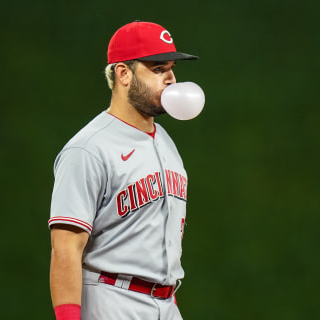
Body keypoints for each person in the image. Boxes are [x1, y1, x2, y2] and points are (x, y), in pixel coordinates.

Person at [48, 20, 198, 320]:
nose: (170, 79)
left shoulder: (165, 141)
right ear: (123, 73)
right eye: (157, 69)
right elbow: (66, 248)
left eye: (171, 68)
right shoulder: (88, 149)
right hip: (112, 300)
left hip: (165, 303)